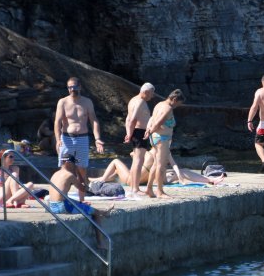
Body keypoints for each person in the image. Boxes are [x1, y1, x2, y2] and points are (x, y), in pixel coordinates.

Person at [48, 155, 112, 249]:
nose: (75, 165)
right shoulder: (69, 175)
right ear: (68, 163)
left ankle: (104, 212)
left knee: (80, 204)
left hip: (51, 206)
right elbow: (84, 189)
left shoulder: (55, 174)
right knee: (96, 214)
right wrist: (78, 173)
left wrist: (79, 203)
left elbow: (61, 196)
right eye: (74, 163)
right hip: (62, 207)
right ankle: (101, 243)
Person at [54, 76, 105, 187]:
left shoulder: (87, 102)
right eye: (70, 87)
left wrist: (97, 139)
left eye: (74, 86)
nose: (72, 89)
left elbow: (94, 120)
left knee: (81, 168)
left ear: (80, 87)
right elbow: (57, 122)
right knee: (66, 167)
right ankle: (63, 195)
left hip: (82, 138)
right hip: (67, 139)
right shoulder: (62, 102)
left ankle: (82, 197)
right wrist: (58, 139)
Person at [93, 151, 224, 188]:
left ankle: (209, 179)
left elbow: (174, 165)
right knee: (180, 172)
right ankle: (103, 179)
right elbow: (174, 165)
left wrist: (181, 177)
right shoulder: (158, 152)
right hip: (134, 180)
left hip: (144, 180)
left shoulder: (151, 152)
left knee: (116, 161)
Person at [143, 89, 186, 199]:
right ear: (174, 99)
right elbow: (158, 122)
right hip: (162, 139)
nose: (178, 106)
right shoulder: (168, 108)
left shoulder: (159, 104)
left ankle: (149, 189)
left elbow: (152, 119)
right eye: (178, 103)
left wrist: (149, 130)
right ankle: (159, 191)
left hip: (157, 138)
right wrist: (149, 132)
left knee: (156, 164)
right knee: (161, 166)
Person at [124, 82, 155, 198]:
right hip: (139, 132)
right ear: (146, 92)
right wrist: (130, 134)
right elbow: (132, 119)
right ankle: (135, 189)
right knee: (138, 160)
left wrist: (128, 133)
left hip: (136, 132)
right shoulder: (140, 102)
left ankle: (133, 187)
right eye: (152, 93)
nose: (152, 96)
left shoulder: (133, 100)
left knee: (136, 160)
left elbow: (127, 119)